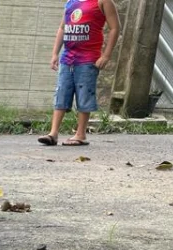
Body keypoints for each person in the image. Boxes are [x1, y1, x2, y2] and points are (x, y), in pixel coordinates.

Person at [38, 0, 120, 146]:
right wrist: (55, 54)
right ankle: (53, 133)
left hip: (88, 59)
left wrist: (106, 55)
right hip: (67, 59)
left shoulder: (103, 1)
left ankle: (80, 134)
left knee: (84, 94)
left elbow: (115, 28)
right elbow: (62, 28)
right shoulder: (71, 2)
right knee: (61, 93)